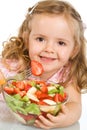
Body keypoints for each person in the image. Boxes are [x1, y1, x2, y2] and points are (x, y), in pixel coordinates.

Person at [0, 0, 87, 129]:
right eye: (40, 39)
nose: (49, 49)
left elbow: (75, 106)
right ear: (27, 39)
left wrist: (64, 119)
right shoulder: (14, 65)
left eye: (61, 43)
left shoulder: (67, 75)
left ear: (73, 50)